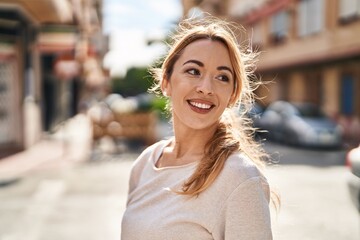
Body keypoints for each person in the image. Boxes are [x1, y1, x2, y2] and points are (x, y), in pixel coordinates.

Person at [121, 16, 277, 240]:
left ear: (232, 95)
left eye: (222, 77)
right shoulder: (145, 163)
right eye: (193, 71)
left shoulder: (240, 178)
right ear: (166, 82)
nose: (206, 88)